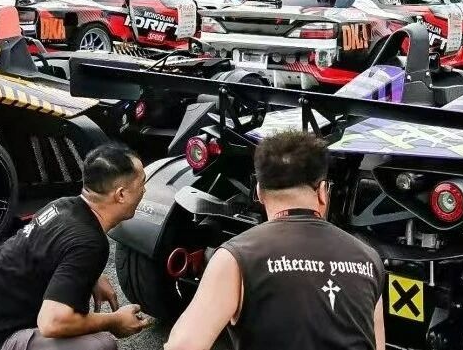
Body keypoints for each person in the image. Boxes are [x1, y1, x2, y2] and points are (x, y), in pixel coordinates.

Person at [165, 131, 385, 350]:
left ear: (259, 192)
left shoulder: (235, 258)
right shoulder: (368, 259)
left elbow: (182, 345)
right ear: (322, 191)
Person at [0, 144, 152, 350]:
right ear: (121, 195)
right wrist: (114, 320)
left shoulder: (63, 206)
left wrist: (91, 277)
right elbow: (53, 322)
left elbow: (49, 253)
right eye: (141, 183)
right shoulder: (89, 243)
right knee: (100, 345)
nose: (144, 190)